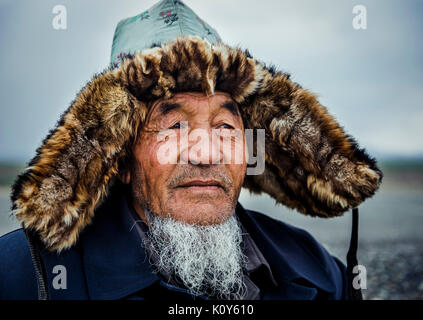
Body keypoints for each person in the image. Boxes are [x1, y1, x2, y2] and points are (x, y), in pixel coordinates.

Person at [0, 0, 382, 300]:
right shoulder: (25, 277)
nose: (206, 153)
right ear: (122, 158)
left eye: (225, 125)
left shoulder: (315, 273)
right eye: (174, 126)